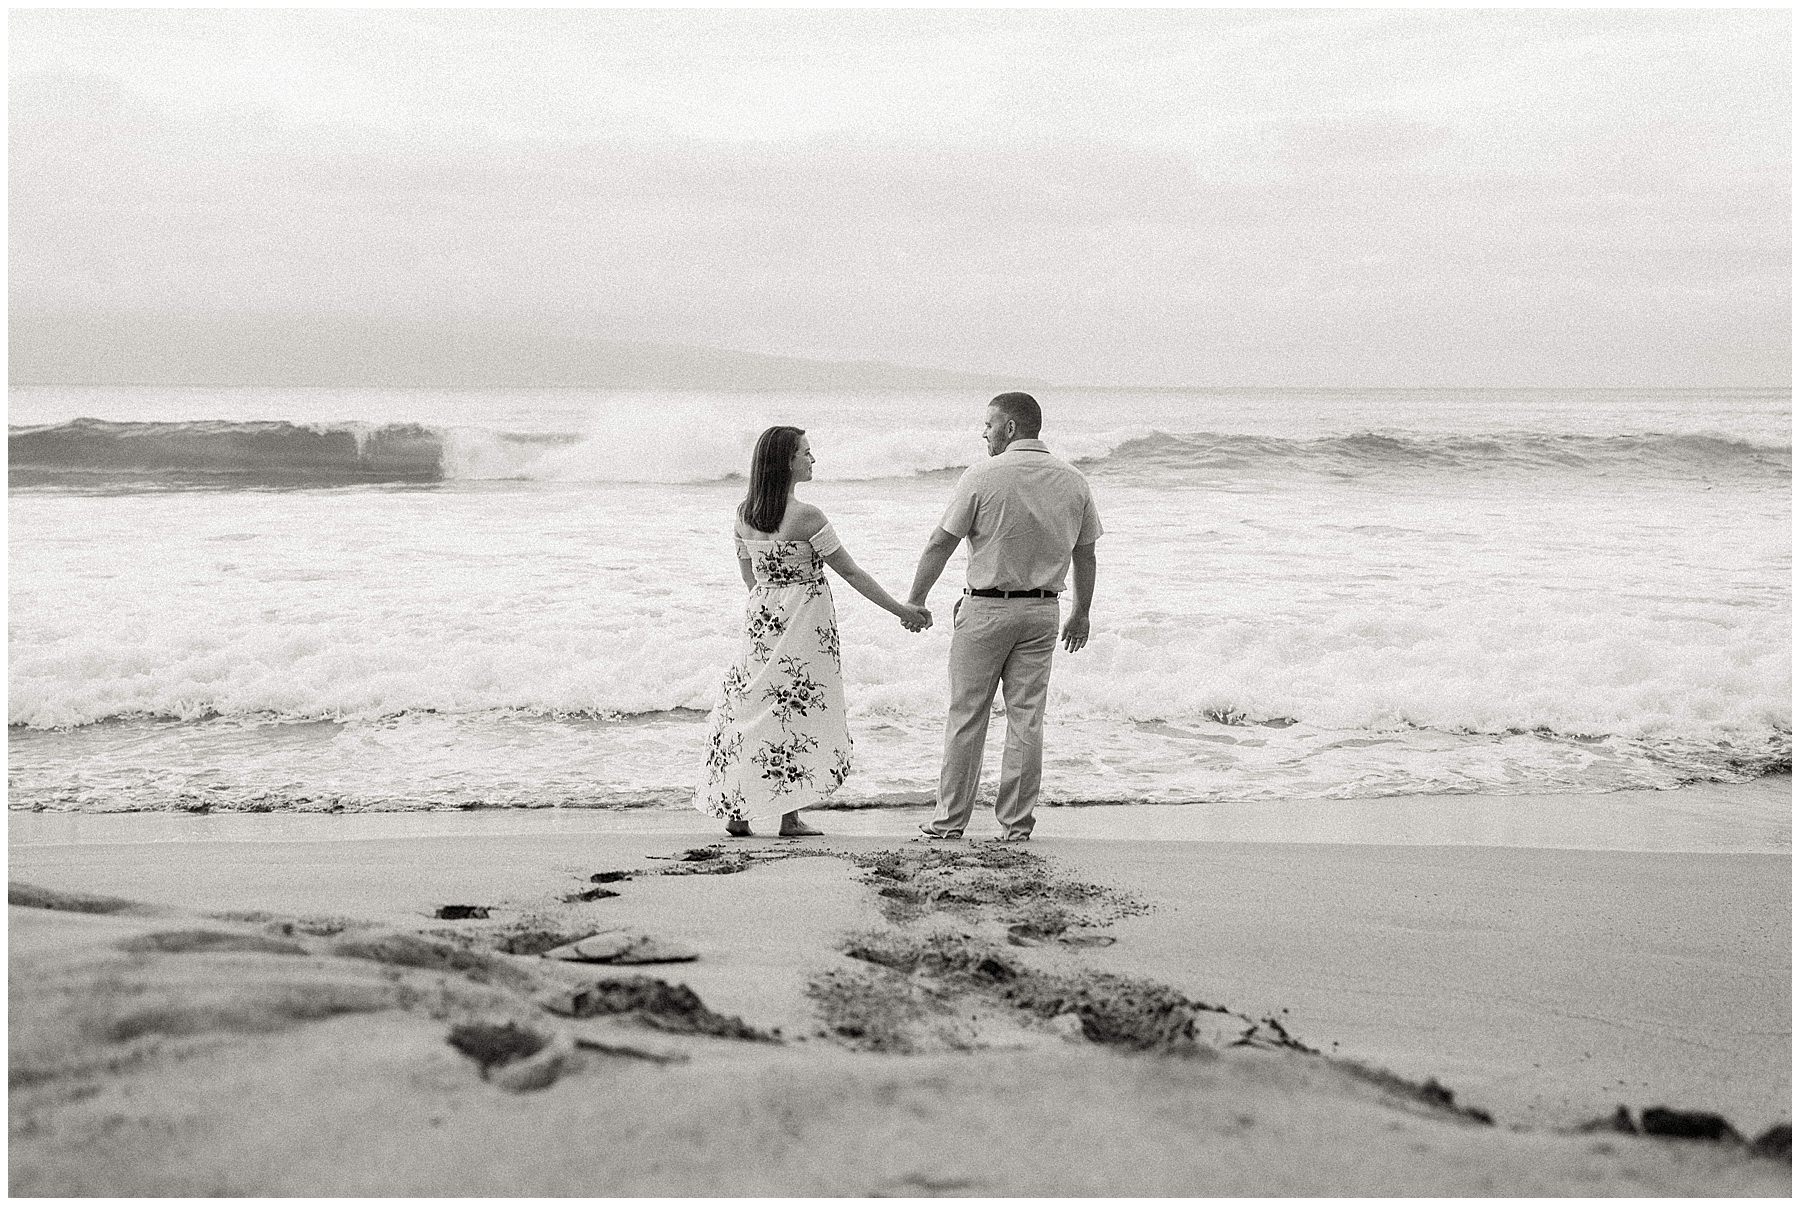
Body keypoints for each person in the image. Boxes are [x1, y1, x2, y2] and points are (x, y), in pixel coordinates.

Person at [696, 425, 931, 838]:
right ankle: (789, 818)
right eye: (806, 452)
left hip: (761, 623)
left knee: (752, 710)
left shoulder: (743, 514)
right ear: (787, 461)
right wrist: (902, 610)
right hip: (804, 625)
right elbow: (851, 573)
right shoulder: (808, 517)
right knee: (795, 712)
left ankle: (738, 812)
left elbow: (749, 576)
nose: (812, 459)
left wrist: (771, 607)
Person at [906, 392, 1101, 841]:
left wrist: (916, 599)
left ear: (1011, 428)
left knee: (967, 715)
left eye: (989, 425)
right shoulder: (1073, 480)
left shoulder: (983, 476)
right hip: (1042, 612)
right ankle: (1016, 825)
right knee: (1027, 719)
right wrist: (1082, 612)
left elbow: (941, 542)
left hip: (987, 609)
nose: (984, 433)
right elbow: (1085, 554)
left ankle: (950, 821)